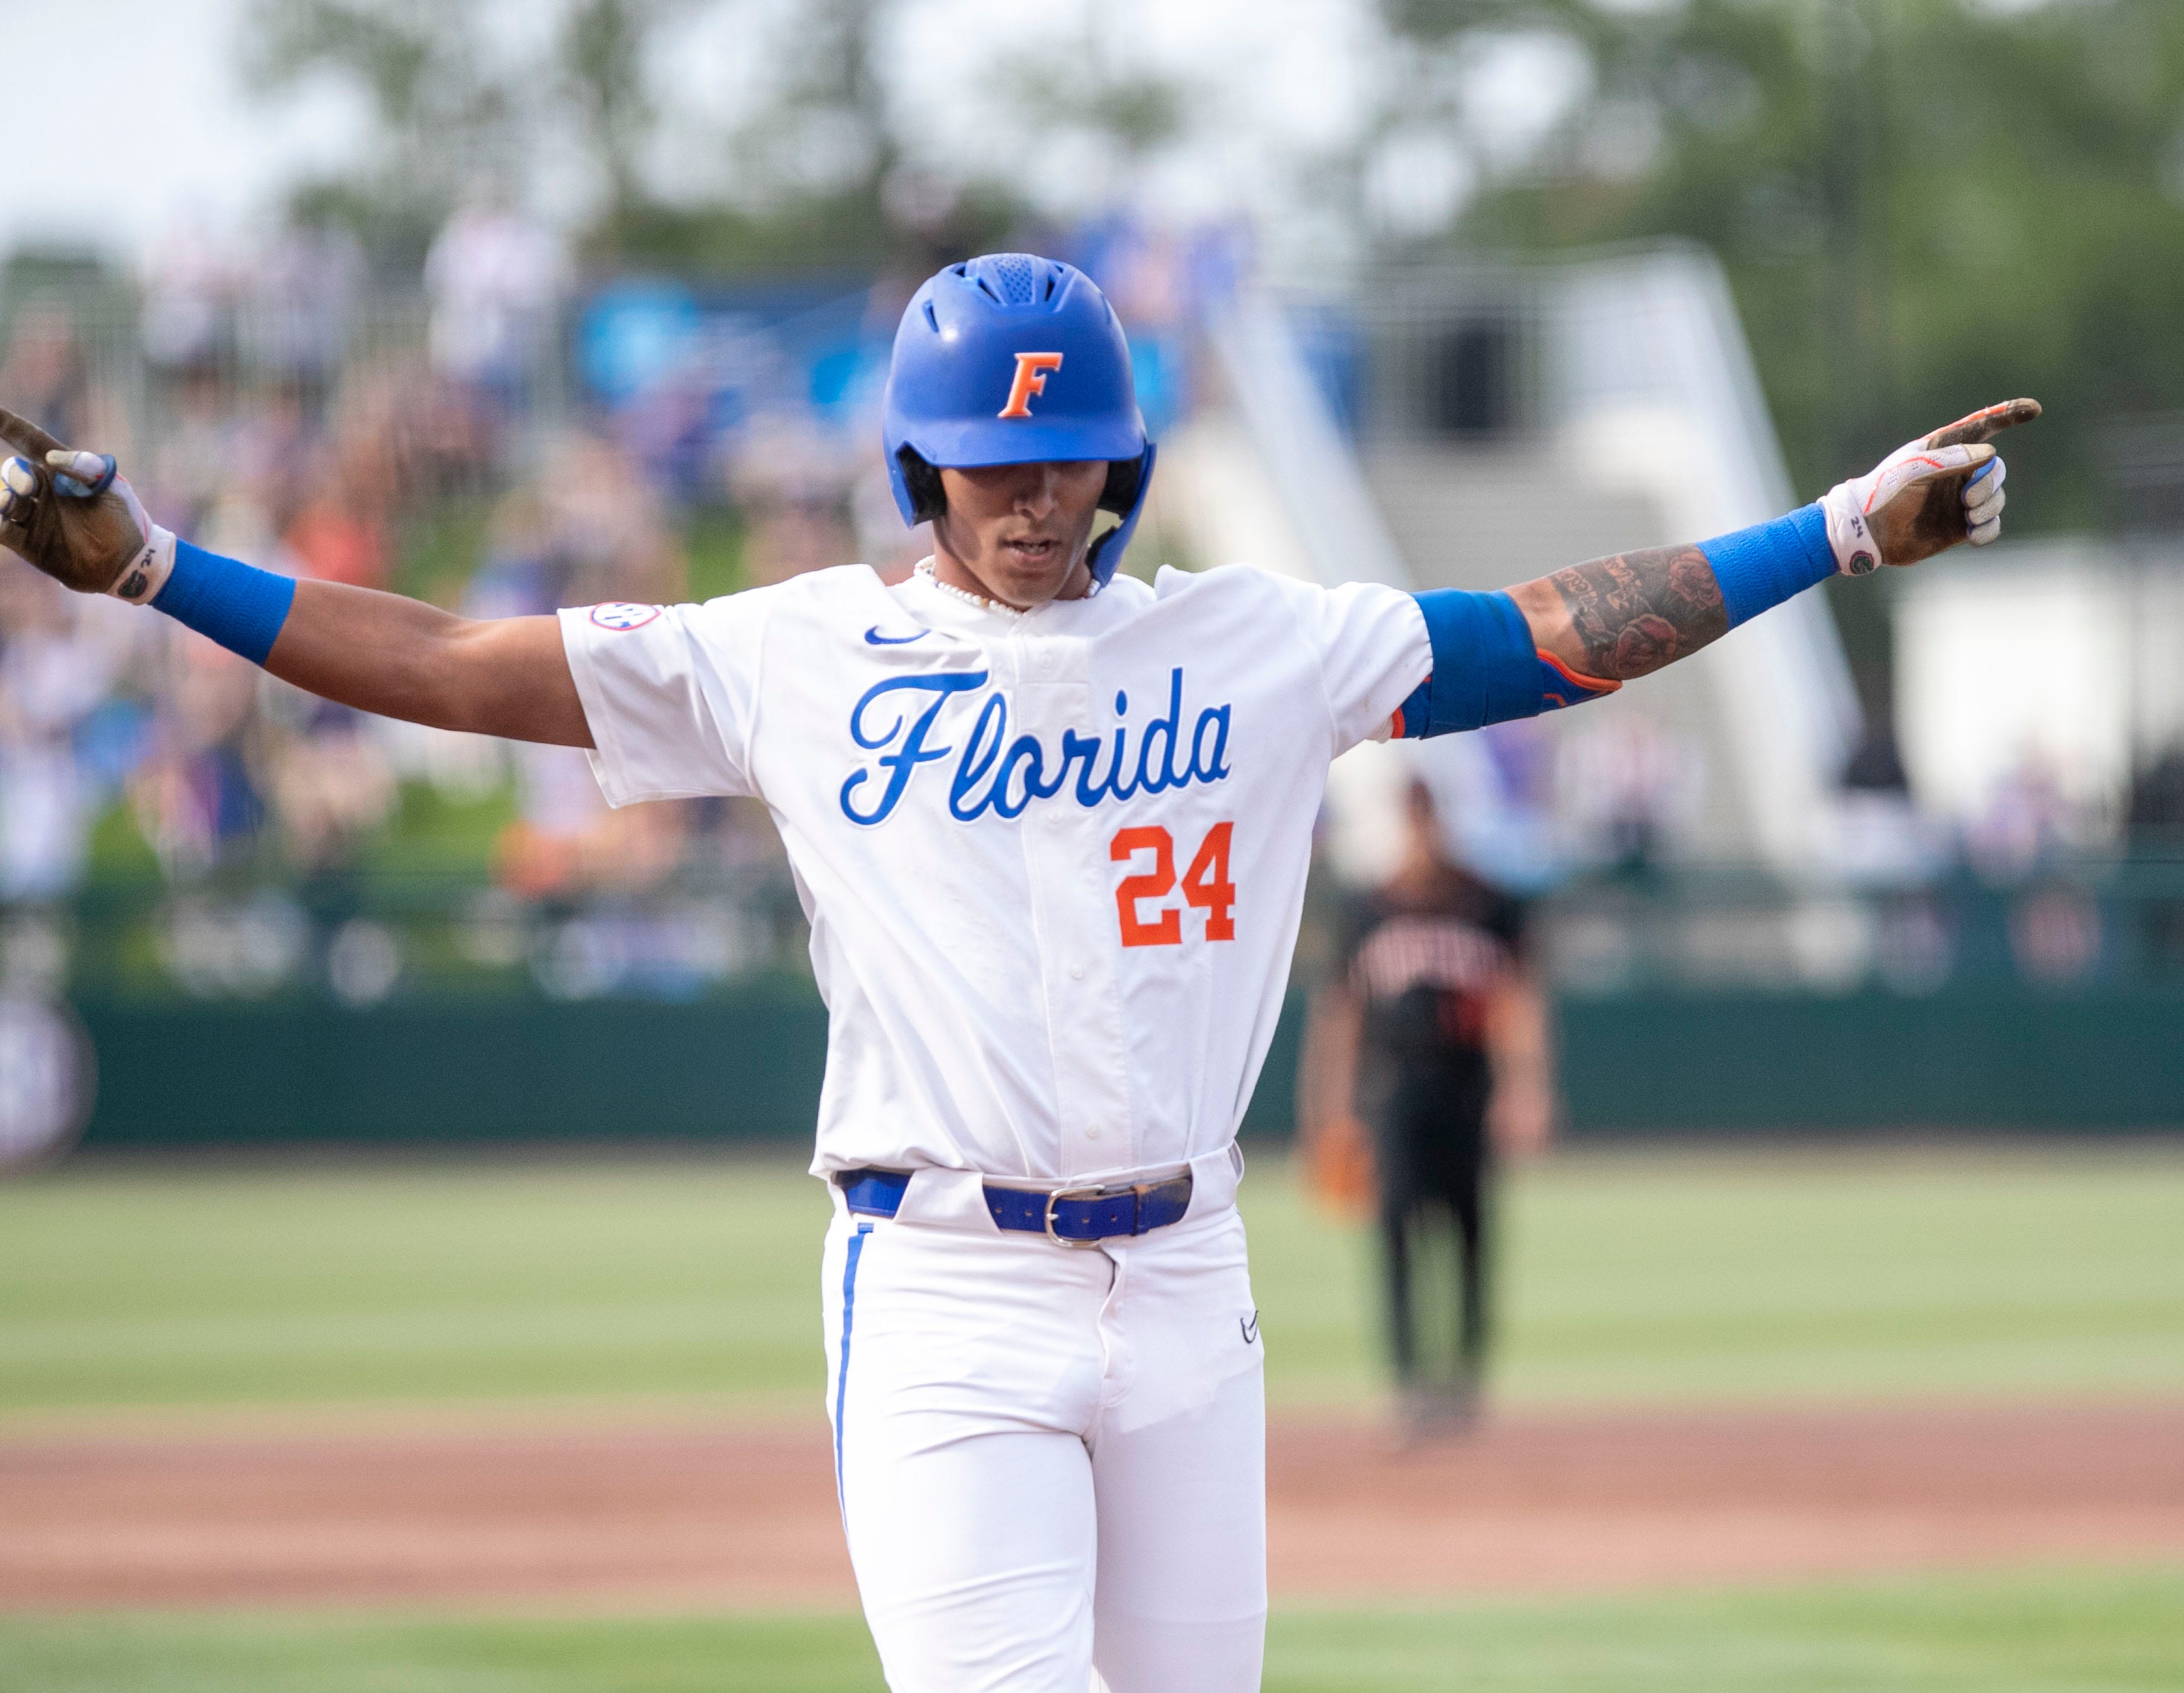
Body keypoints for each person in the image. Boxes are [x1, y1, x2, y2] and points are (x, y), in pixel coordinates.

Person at [0, 252, 2034, 1692]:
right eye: (988, 458)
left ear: (1124, 462)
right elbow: (452, 661)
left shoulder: (1255, 643)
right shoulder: (790, 655)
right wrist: (166, 567)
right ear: (917, 469)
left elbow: (1556, 629)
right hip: (943, 1284)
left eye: (1065, 460)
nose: (1033, 493)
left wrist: (1836, 533)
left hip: (1186, 1282)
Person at [1302, 779, 1552, 1439]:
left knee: (1470, 1230)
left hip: (1465, 1084)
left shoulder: (1488, 904)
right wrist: (1332, 1109)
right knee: (1394, 1232)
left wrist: (1524, 1086)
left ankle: (1465, 1380)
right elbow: (1340, 1015)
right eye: (1411, 819)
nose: (1422, 831)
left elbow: (1518, 1000)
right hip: (1391, 1089)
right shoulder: (1368, 908)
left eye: (1428, 817)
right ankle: (1408, 1381)